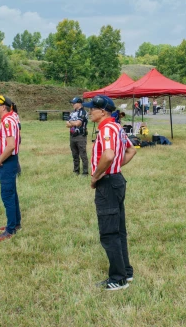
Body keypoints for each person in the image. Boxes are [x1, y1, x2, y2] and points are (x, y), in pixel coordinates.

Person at [84, 95, 137, 291]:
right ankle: (126, 272)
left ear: (103, 111)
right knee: (119, 230)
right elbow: (131, 151)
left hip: (107, 184)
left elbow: (108, 155)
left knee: (109, 232)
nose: (90, 112)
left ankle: (118, 278)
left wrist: (96, 175)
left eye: (93, 109)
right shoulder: (116, 127)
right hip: (117, 180)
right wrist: (115, 166)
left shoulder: (106, 129)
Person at [0, 95, 21, 242]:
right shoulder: (12, 117)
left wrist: (0, 160)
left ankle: (10, 230)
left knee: (7, 195)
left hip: (6, 161)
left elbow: (11, 145)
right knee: (12, 193)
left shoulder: (8, 121)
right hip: (11, 161)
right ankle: (15, 223)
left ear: (3, 107)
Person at [67, 97, 89, 175]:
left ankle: (85, 172)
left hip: (81, 136)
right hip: (72, 135)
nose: (72, 104)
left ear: (79, 103)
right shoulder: (72, 113)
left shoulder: (83, 112)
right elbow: (67, 124)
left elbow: (78, 123)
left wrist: (71, 122)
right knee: (75, 154)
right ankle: (76, 170)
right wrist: (73, 122)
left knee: (83, 154)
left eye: (74, 103)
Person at [11, 103, 22, 176]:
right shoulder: (15, 114)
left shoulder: (13, 115)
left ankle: (17, 171)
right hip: (16, 137)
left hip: (15, 137)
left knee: (13, 155)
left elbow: (19, 126)